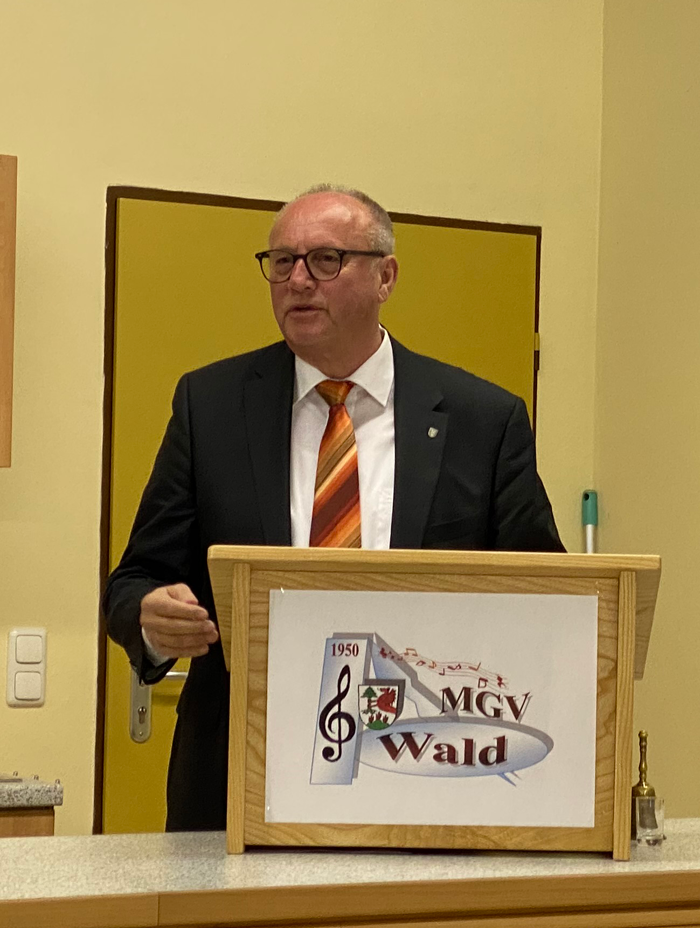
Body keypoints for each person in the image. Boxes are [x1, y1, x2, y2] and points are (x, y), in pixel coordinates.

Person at [104, 184, 564, 831]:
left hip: (426, 766)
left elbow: (548, 597)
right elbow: (134, 581)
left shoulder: (482, 421)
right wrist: (153, 624)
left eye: (325, 260)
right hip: (238, 771)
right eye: (281, 261)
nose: (297, 280)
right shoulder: (211, 406)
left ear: (385, 277)